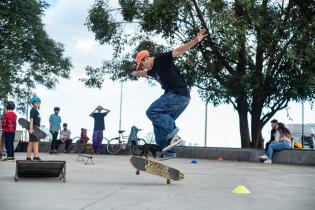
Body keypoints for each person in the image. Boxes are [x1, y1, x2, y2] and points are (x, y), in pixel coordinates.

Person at [131, 29, 207, 159]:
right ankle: (168, 150)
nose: (144, 68)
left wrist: (195, 41)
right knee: (158, 123)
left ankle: (174, 136)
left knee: (152, 112)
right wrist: (137, 73)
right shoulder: (151, 70)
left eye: (142, 64)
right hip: (180, 99)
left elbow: (178, 51)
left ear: (147, 58)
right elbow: (145, 73)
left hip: (177, 94)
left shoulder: (161, 59)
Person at [27, 96, 42, 161]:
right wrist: (31, 129)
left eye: (38, 103)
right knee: (36, 142)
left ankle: (28, 157)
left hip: (35, 128)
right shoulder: (33, 110)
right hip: (34, 128)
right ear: (33, 103)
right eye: (36, 103)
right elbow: (31, 119)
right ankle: (36, 157)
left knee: (31, 142)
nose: (37, 104)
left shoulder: (35, 110)